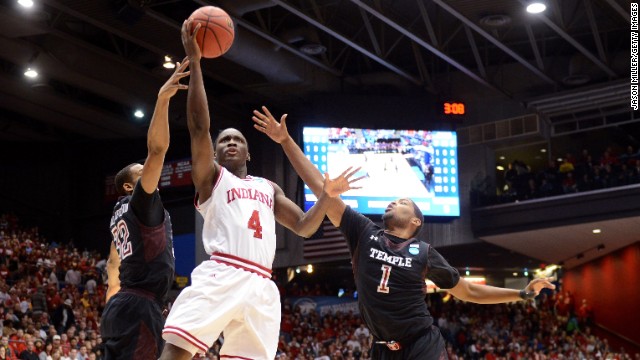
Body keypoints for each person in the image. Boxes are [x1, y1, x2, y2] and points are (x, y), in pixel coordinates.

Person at [252, 107, 556, 359]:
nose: (394, 201)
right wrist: (285, 140)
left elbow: (468, 291)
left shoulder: (424, 253)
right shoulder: (363, 232)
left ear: (415, 222)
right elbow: (320, 185)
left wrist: (520, 293)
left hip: (421, 343)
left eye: (403, 202)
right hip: (382, 349)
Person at [158, 20, 362, 360]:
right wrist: (195, 62)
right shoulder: (211, 178)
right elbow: (198, 127)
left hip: (262, 285)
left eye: (238, 139)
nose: (232, 143)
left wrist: (327, 195)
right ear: (217, 152)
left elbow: (304, 227)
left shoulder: (268, 187)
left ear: (249, 152)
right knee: (176, 352)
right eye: (225, 140)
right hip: (222, 271)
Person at [99, 58, 190, 360]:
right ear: (128, 186)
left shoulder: (118, 216)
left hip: (123, 304)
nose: (149, 173)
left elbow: (114, 264)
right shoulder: (139, 202)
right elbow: (157, 150)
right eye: (142, 172)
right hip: (138, 305)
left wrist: (114, 298)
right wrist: (163, 99)